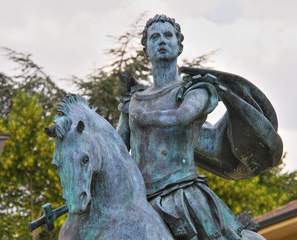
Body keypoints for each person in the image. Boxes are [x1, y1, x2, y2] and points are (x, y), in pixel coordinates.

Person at [117, 14, 277, 240]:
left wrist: (146, 115)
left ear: (178, 45)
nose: (161, 40)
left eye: (168, 35)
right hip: (141, 201)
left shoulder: (195, 88)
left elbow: (182, 115)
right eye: (154, 37)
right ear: (146, 50)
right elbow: (117, 152)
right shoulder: (133, 101)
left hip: (183, 196)